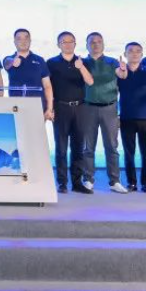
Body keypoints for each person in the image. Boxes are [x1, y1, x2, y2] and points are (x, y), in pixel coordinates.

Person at [47, 31, 95, 194]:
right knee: (61, 147)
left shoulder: (83, 62)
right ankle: (62, 182)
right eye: (64, 42)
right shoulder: (51, 63)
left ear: (75, 44)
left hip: (80, 107)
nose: (67, 44)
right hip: (60, 107)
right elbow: (47, 87)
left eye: (71, 42)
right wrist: (50, 108)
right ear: (58, 44)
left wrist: (81, 68)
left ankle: (77, 182)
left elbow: (90, 81)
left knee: (78, 147)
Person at [81, 32, 124, 192]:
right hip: (88, 108)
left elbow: (122, 75)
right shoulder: (82, 63)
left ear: (103, 44)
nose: (96, 44)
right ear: (87, 45)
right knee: (88, 147)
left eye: (99, 41)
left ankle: (114, 181)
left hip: (109, 108)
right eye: (92, 42)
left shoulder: (113, 62)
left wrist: (123, 71)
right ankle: (88, 179)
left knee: (112, 146)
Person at [116, 42, 146, 193]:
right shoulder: (120, 72)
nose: (134, 53)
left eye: (138, 51)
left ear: (142, 54)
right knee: (129, 153)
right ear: (125, 54)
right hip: (127, 118)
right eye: (131, 51)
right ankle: (131, 183)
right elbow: (113, 93)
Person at [2, 28, 54, 120]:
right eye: (19, 38)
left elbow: (47, 86)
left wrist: (49, 109)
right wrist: (13, 61)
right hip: (16, 107)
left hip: (38, 106)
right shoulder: (9, 59)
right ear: (14, 42)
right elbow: (7, 63)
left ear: (30, 41)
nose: (23, 41)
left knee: (37, 130)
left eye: (26, 38)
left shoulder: (39, 60)